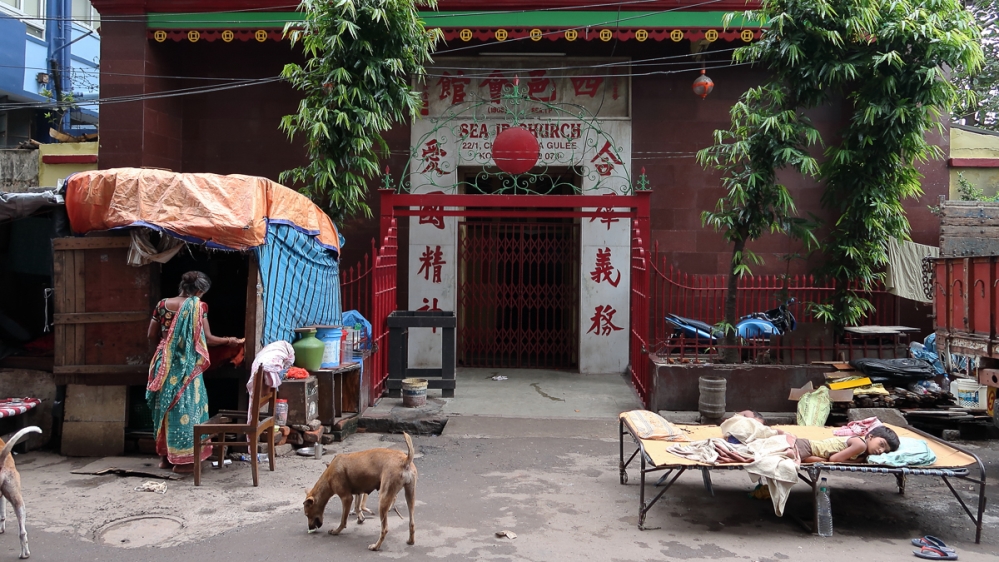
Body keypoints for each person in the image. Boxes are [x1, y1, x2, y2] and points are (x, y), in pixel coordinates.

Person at [146, 271, 244, 473]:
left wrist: (167, 349)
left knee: (165, 408)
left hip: (163, 364)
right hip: (188, 365)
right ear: (199, 291)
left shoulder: (162, 305)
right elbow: (208, 338)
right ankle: (185, 461)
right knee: (187, 410)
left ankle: (166, 458)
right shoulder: (198, 307)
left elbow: (151, 335)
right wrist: (230, 341)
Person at [794, 426, 900, 464]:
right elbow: (834, 460)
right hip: (805, 447)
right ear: (871, 437)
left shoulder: (862, 452)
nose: (881, 450)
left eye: (885, 451)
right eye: (882, 444)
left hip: (808, 452)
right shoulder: (860, 445)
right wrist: (857, 462)